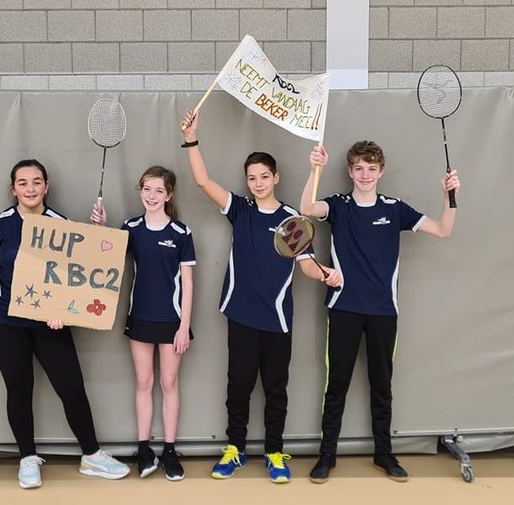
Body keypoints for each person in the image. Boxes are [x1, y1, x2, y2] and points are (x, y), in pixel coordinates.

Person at [0, 159, 130, 489]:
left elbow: (74, 280)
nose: (29, 188)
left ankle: (92, 455)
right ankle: (27, 459)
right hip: (3, 322)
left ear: (46, 187)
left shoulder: (61, 225)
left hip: (49, 322)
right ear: (12, 188)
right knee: (19, 388)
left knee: (71, 387)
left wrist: (65, 309)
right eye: (22, 183)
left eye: (36, 182)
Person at [180, 111, 342, 484]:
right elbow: (203, 181)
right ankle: (234, 449)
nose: (257, 183)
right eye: (251, 178)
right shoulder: (241, 210)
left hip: (277, 319)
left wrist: (326, 274)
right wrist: (191, 137)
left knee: (275, 389)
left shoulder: (291, 220)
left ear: (276, 178)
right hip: (240, 314)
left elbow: (305, 267)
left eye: (263, 177)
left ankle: (274, 453)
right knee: (238, 386)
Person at [297, 141, 461, 483]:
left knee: (381, 385)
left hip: (384, 312)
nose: (365, 175)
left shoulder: (395, 209)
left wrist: (449, 196)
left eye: (372, 169)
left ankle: (384, 455)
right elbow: (307, 207)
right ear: (350, 171)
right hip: (343, 308)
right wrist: (315, 169)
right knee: (336, 383)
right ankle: (327, 455)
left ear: (381, 171)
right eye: (359, 168)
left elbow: (444, 230)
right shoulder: (340, 206)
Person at [90, 166, 194, 482]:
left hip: (172, 321)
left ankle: (170, 452)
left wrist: (183, 326)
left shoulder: (181, 233)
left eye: (159, 191)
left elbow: (188, 284)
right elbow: (107, 254)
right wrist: (102, 227)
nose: (151, 196)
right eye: (147, 189)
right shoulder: (131, 228)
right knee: (144, 383)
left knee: (169, 385)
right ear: (140, 191)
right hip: (140, 319)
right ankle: (144, 449)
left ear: (169, 195)